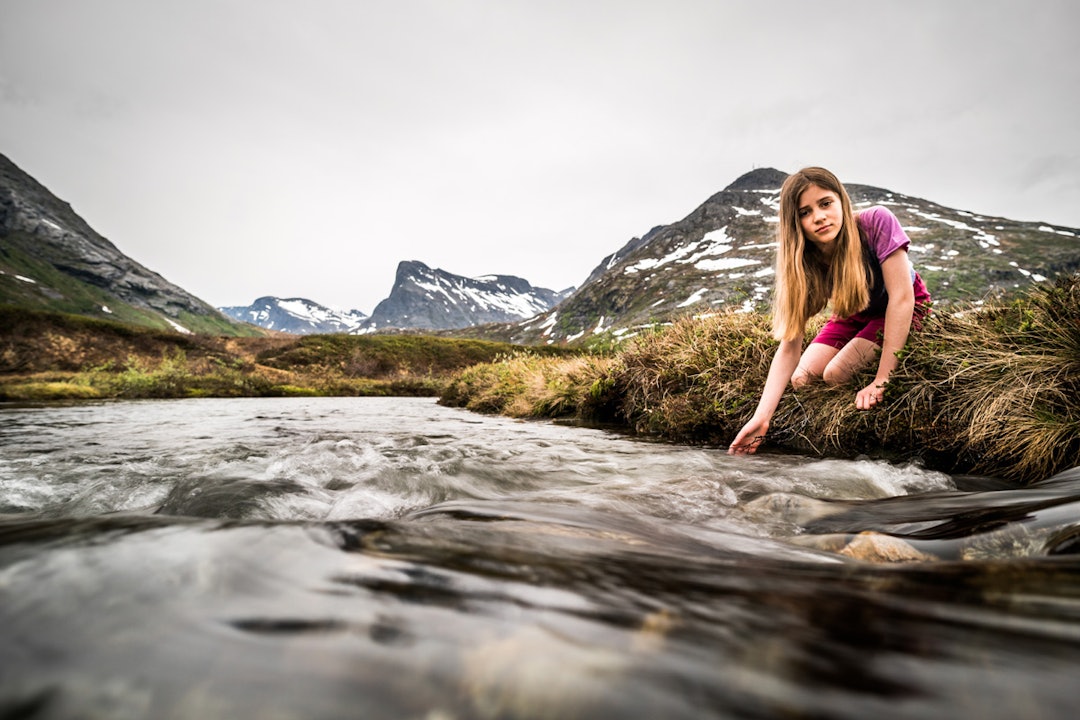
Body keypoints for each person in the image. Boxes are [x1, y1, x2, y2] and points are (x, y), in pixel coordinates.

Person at [728, 166, 931, 455]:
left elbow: (902, 299)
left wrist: (882, 380)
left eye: (825, 203)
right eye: (805, 212)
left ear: (841, 200)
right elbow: (789, 346)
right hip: (855, 310)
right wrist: (761, 418)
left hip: (904, 305)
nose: (819, 217)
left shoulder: (876, 222)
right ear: (794, 223)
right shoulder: (802, 259)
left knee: (835, 374)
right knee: (801, 379)